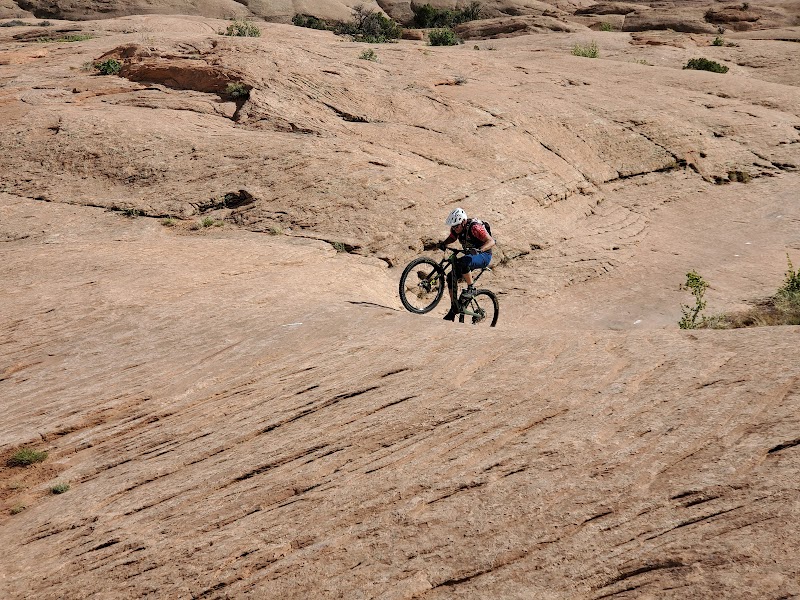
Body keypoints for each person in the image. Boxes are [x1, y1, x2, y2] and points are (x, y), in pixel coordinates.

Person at [437, 207, 495, 321]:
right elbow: (452, 238)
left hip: (484, 255)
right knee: (450, 276)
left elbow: (491, 241)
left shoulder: (475, 228)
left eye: (456, 226)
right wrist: (444, 243)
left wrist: (480, 250)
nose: (455, 228)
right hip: (471, 256)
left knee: (464, 262)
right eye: (452, 226)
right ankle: (454, 308)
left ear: (463, 222)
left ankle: (471, 288)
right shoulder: (456, 228)